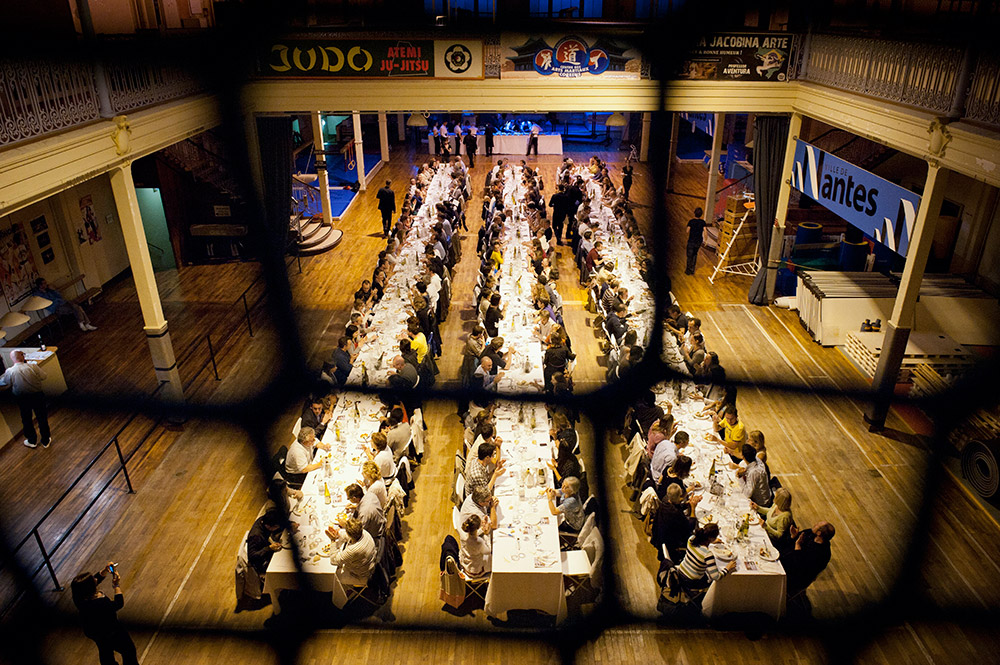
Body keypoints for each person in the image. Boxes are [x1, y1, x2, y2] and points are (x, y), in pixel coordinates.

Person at [71, 563, 139, 665]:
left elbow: (96, 579)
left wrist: (105, 571)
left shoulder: (79, 598)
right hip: (112, 631)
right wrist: (116, 585)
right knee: (128, 650)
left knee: (105, 652)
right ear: (91, 587)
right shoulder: (100, 603)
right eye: (93, 580)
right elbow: (118, 604)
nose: (95, 579)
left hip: (95, 632)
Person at [0, 350, 50, 448]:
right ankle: (45, 440)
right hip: (37, 395)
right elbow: (44, 376)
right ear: (23, 356)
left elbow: (5, 383)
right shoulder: (33, 367)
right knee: (42, 418)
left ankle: (32, 440)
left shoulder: (10, 371)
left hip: (22, 399)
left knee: (26, 419)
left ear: (12, 359)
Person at [676, 523, 736, 593]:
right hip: (691, 582)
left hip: (681, 571)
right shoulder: (707, 554)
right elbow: (716, 577)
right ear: (711, 538)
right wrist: (727, 568)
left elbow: (699, 547)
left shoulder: (691, 539)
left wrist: (712, 541)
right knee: (714, 578)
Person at [781, 521, 835, 597]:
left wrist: (798, 546)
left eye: (817, 525)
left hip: (793, 576)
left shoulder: (821, 553)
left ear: (819, 533)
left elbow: (799, 567)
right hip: (784, 558)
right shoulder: (810, 533)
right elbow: (791, 542)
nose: (814, 524)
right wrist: (793, 536)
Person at [325, 517, 378, 586]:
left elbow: (333, 560)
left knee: (334, 575)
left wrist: (332, 540)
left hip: (362, 576)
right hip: (370, 565)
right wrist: (338, 535)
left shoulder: (353, 550)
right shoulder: (364, 532)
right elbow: (347, 536)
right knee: (341, 561)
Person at [651, 483, 696, 564]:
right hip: (672, 541)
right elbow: (689, 526)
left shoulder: (665, 500)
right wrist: (693, 508)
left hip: (660, 535)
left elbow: (677, 505)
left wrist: (688, 503)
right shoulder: (676, 514)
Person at [685, 207, 706, 275]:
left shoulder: (691, 222)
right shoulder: (703, 222)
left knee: (689, 255)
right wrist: (705, 240)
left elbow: (687, 231)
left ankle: (688, 270)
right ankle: (692, 270)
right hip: (698, 241)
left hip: (691, 241)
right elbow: (705, 231)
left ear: (694, 213)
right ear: (701, 214)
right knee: (695, 254)